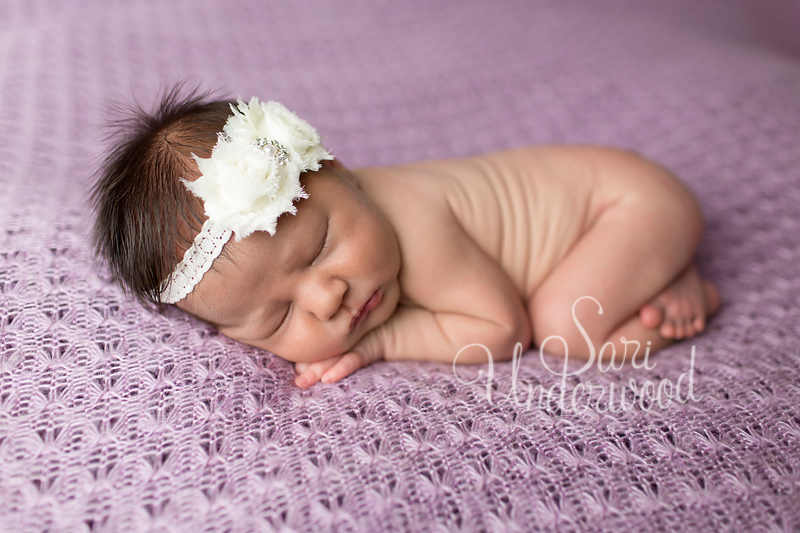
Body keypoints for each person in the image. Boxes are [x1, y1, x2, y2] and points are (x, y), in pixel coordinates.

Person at [92, 88, 720, 389]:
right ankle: (652, 265)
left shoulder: (414, 222)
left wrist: (383, 341)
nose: (327, 298)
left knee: (561, 326)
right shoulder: (360, 229)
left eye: (319, 250)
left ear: (336, 170)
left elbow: (502, 328)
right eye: (277, 316)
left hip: (627, 204)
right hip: (615, 209)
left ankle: (674, 282)